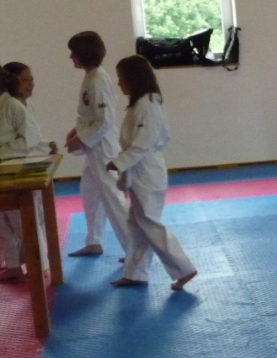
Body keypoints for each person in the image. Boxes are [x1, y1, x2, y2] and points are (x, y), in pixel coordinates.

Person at [105, 55, 197, 290]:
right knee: (137, 226)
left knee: (149, 223)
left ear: (133, 78)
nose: (119, 83)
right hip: (141, 171)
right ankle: (135, 273)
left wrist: (118, 162)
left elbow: (143, 142)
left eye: (121, 78)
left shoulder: (148, 104)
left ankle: (184, 268)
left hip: (147, 173)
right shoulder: (142, 103)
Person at [64, 31, 131, 258]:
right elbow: (90, 115)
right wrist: (77, 130)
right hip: (94, 147)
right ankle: (94, 241)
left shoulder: (98, 80)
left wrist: (81, 139)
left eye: (73, 52)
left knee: (113, 199)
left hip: (103, 147)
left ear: (84, 53)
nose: (71, 56)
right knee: (90, 193)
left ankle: (135, 250)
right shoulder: (91, 76)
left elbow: (105, 120)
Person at [0, 64, 57, 280]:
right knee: (2, 222)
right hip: (5, 169)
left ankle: (40, 267)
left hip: (17, 170)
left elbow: (27, 141)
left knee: (24, 222)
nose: (31, 84)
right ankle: (13, 265)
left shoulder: (12, 106)